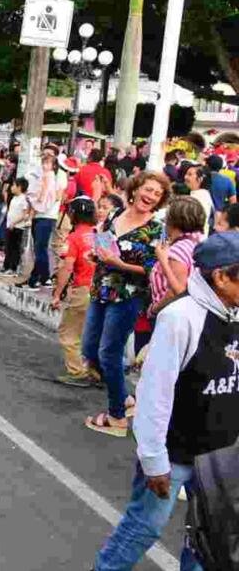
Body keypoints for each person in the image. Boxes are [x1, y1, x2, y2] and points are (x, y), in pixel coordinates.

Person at [84, 232, 239, 571]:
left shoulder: (235, 314)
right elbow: (155, 394)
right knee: (148, 521)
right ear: (222, 276)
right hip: (175, 448)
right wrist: (154, 459)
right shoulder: (182, 318)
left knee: (212, 530)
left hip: (221, 450)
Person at [83, 172, 170, 437]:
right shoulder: (114, 214)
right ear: (136, 189)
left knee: (109, 352)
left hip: (128, 296)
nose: (150, 196)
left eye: (157, 194)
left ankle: (117, 417)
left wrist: (119, 264)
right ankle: (126, 399)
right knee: (90, 349)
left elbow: (155, 270)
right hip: (101, 289)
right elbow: (104, 244)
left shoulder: (156, 229)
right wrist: (94, 254)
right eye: (148, 189)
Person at [51, 197, 98, 385]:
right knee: (92, 332)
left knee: (68, 331)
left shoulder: (74, 238)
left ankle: (77, 372)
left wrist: (57, 294)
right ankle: (95, 370)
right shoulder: (98, 234)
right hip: (100, 288)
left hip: (83, 288)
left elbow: (67, 268)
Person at [24, 153, 62, 290]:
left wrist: (39, 199)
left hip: (46, 215)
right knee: (40, 248)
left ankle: (38, 279)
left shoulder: (52, 176)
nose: (45, 166)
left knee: (40, 249)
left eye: (48, 163)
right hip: (41, 215)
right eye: (44, 163)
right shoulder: (46, 176)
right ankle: (41, 278)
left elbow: (48, 193)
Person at [1, 177, 30, 276]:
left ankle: (13, 268)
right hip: (10, 226)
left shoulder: (23, 199)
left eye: (14, 185)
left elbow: (25, 214)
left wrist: (14, 223)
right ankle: (6, 266)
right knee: (8, 246)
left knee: (15, 248)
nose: (11, 188)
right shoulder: (14, 198)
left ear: (20, 187)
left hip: (17, 227)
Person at [185, 164, 215, 235]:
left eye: (190, 174)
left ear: (200, 179)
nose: (185, 177)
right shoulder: (199, 194)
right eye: (186, 174)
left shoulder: (200, 197)